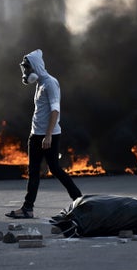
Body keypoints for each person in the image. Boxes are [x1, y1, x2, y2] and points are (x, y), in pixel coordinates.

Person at [6, 49, 82, 219]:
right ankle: (28, 209)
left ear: (36, 67)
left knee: (55, 169)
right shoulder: (40, 84)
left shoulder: (50, 83)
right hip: (35, 135)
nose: (26, 72)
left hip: (48, 136)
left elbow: (55, 110)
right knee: (33, 171)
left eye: (28, 68)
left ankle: (79, 200)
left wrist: (48, 135)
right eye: (25, 68)